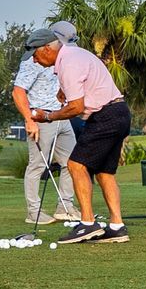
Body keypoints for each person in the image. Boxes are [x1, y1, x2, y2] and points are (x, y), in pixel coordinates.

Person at [27, 31, 131, 244]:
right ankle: (117, 226)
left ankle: (87, 223)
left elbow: (76, 107)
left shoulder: (69, 63)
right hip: (119, 112)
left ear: (47, 48)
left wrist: (47, 116)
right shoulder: (76, 55)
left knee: (75, 165)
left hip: (105, 116)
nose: (34, 60)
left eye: (35, 54)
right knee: (104, 172)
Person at [12, 28, 78, 233]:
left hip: (61, 117)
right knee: (37, 166)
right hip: (41, 119)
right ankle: (34, 212)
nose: (35, 56)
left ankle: (65, 207)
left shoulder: (61, 59)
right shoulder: (31, 63)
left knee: (73, 163)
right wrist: (28, 120)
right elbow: (18, 91)